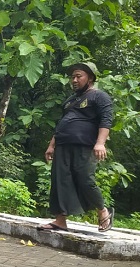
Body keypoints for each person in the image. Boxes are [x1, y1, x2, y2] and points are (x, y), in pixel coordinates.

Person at [38, 62, 115, 233]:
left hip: (84, 145)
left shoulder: (99, 96)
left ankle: (103, 211)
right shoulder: (70, 101)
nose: (74, 80)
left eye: (78, 76)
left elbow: (106, 120)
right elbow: (62, 124)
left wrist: (100, 143)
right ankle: (60, 220)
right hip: (63, 145)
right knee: (60, 180)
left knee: (85, 178)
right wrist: (51, 145)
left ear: (90, 78)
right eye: (72, 77)